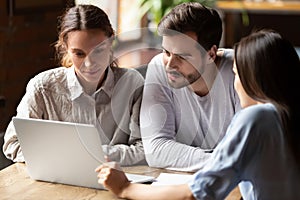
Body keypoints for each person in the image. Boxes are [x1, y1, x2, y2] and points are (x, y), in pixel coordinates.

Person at [96, 29, 300, 199]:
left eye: (236, 74)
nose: (235, 84)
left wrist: (125, 187)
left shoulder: (256, 119)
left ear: (255, 80)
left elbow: (196, 193)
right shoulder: (286, 116)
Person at [3, 4, 146, 166]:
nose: (89, 63)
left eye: (98, 50)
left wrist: (85, 154)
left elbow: (145, 148)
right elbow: (13, 143)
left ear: (111, 42)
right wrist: (67, 159)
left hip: (120, 184)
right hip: (59, 183)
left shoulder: (132, 83)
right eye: (79, 54)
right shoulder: (42, 88)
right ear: (66, 48)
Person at [140, 2, 240, 171]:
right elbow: (155, 149)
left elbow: (247, 154)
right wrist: (222, 161)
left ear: (211, 54)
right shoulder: (159, 67)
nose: (170, 64)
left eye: (182, 56)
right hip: (186, 180)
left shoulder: (240, 71)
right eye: (166, 52)